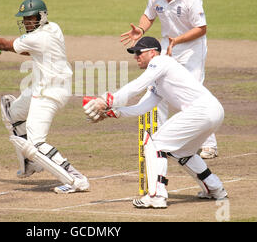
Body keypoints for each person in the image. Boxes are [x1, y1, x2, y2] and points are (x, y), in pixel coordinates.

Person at [83, 37, 227, 209]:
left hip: (201, 110)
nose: (136, 56)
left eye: (139, 52)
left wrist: (108, 100)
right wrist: (113, 113)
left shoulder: (161, 61)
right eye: (134, 53)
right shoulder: (157, 80)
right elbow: (141, 107)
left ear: (152, 52)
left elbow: (137, 85)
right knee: (183, 152)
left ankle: (156, 195)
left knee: (155, 144)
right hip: (214, 111)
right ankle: (214, 188)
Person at [0, 0, 89, 194]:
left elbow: (8, 44)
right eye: (25, 19)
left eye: (31, 18)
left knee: (36, 142)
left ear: (42, 16)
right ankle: (30, 163)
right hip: (43, 87)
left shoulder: (40, 36)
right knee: (12, 113)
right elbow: (26, 50)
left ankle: (76, 178)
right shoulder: (53, 28)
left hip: (49, 92)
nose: (28, 22)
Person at [120, 0, 218, 159]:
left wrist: (178, 40)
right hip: (167, 45)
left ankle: (209, 145)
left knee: (192, 93)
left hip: (191, 47)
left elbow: (201, 28)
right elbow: (148, 16)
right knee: (158, 88)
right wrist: (140, 29)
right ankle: (161, 139)